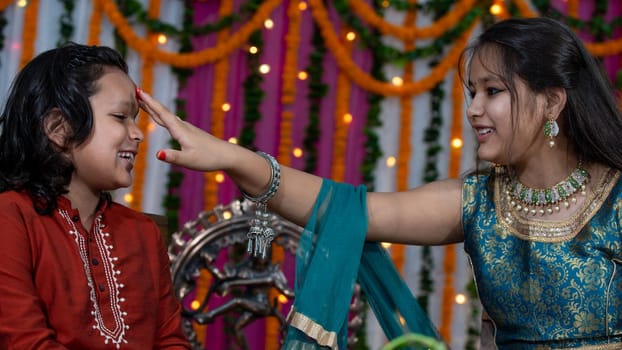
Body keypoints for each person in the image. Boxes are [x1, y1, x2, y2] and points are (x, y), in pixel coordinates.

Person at [138, 17, 622, 349]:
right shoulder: (478, 203)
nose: (473, 109)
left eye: (492, 92)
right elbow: (341, 209)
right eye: (472, 92)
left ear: (552, 103)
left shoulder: (615, 201)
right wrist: (230, 156)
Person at [0, 43, 190, 349]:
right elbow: (25, 342)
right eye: (120, 116)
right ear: (58, 128)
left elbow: (171, 341)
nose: (138, 133)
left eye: (136, 118)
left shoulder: (144, 233)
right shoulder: (11, 217)